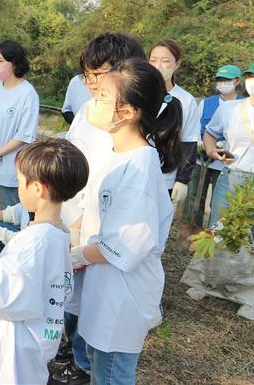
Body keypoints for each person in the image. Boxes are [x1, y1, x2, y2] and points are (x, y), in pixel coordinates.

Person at [70, 58, 182, 384]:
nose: (94, 101)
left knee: (111, 374)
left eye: (103, 97)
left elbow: (124, 244)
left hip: (121, 296)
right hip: (104, 287)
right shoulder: (117, 154)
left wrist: (74, 255)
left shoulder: (138, 170)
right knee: (98, 363)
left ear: (129, 112)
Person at [0, 138, 89, 384]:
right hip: (32, 350)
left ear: (37, 189)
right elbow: (34, 292)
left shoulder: (33, 243)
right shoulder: (58, 237)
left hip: (11, 358)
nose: (18, 187)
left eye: (20, 181)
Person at [53, 32, 146, 385]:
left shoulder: (126, 129)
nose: (92, 85)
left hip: (98, 235)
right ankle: (77, 356)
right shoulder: (87, 112)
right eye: (87, 76)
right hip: (74, 219)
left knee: (95, 309)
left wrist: (81, 224)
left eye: (100, 75)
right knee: (74, 300)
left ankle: (83, 362)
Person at [0, 40, 40, 210]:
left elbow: (24, 135)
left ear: (15, 62)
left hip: (11, 165)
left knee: (11, 212)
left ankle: (11, 238)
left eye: (1, 61)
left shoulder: (27, 93)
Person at [184, 64, 244, 227]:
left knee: (220, 203)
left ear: (237, 81)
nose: (222, 83)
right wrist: (201, 144)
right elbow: (195, 127)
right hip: (201, 159)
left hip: (226, 164)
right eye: (220, 80)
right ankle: (191, 231)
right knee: (194, 197)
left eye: (227, 80)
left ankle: (213, 235)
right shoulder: (206, 103)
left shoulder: (243, 105)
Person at [148, 39, 200, 205]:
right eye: (153, 60)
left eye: (165, 61)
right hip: (134, 172)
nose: (158, 66)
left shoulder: (185, 100)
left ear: (177, 64)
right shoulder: (136, 92)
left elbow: (188, 142)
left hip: (165, 177)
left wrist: (182, 179)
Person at [204, 62, 254, 225]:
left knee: (249, 239)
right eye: (250, 76)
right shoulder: (229, 109)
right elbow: (210, 132)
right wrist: (211, 150)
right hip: (231, 178)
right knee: (220, 232)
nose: (252, 80)